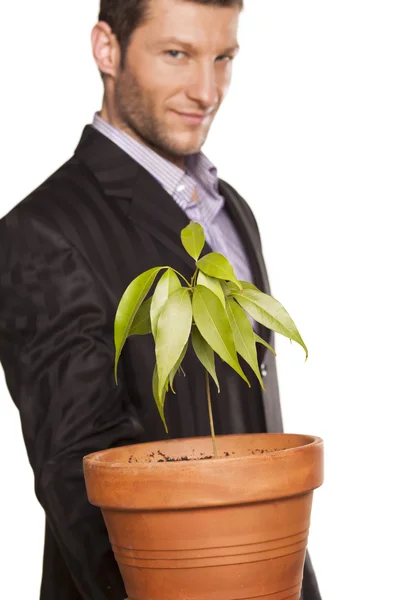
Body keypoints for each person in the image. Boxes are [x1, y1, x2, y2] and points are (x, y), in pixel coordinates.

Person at [0, 0, 322, 599]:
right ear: (107, 49)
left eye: (222, 57)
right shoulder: (41, 231)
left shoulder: (231, 211)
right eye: (177, 54)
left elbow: (254, 440)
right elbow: (79, 479)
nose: (207, 89)